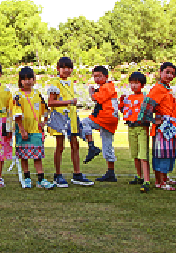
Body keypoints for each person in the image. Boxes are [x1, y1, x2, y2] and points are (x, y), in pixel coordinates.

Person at [47, 57, 93, 187]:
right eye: (64, 67)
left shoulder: (70, 83)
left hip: (71, 118)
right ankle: (57, 174)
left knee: (75, 145)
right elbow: (51, 102)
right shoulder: (55, 83)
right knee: (60, 146)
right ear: (58, 69)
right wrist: (69, 102)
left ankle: (77, 174)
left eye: (69, 68)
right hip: (59, 118)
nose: (67, 70)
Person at [139, 62, 176, 191]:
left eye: (172, 73)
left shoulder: (166, 88)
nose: (170, 75)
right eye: (167, 72)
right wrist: (152, 120)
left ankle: (165, 177)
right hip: (163, 128)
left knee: (168, 154)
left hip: (170, 127)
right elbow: (146, 106)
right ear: (160, 72)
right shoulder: (158, 89)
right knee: (161, 154)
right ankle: (160, 181)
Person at [13, 67, 55, 189]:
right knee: (24, 156)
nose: (27, 82)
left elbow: (46, 109)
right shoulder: (18, 96)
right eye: (24, 79)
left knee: (37, 156)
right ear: (20, 81)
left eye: (30, 78)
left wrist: (44, 122)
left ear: (34, 79)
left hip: (36, 131)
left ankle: (41, 179)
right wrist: (21, 129)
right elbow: (17, 114)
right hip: (23, 131)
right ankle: (27, 178)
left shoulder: (37, 94)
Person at [83, 65, 119, 182]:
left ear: (106, 76)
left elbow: (96, 99)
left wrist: (91, 92)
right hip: (109, 119)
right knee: (107, 145)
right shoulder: (108, 86)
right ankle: (111, 172)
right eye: (95, 76)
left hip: (105, 118)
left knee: (83, 123)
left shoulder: (107, 87)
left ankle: (91, 146)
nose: (97, 78)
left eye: (99, 76)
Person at [119, 71, 151, 192]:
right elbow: (125, 111)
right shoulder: (129, 98)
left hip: (142, 127)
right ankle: (139, 176)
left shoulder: (145, 98)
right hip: (131, 127)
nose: (134, 86)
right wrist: (121, 103)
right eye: (132, 83)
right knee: (135, 154)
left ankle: (146, 180)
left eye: (136, 83)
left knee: (143, 155)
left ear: (142, 85)